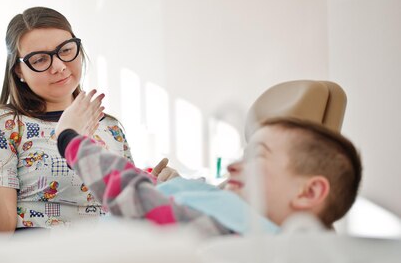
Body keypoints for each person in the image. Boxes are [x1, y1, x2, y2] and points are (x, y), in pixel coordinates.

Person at [0, 7, 138, 263]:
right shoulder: (6, 125)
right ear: (19, 71)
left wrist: (154, 188)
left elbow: (126, 216)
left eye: (66, 50)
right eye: (39, 59)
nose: (59, 66)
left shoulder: (109, 127)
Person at [54, 93, 363, 237]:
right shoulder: (230, 216)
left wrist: (70, 138)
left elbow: (134, 197)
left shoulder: (233, 230)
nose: (232, 167)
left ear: (309, 193)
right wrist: (171, 185)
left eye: (257, 156)